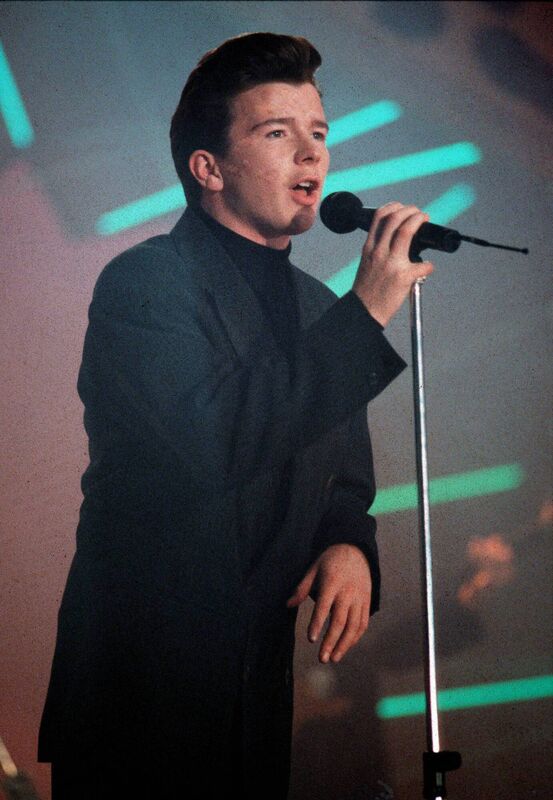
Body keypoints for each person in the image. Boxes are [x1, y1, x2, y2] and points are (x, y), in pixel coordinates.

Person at [38, 32, 433, 799]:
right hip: (142, 694)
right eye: (277, 133)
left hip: (253, 687)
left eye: (318, 134)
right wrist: (367, 313)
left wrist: (349, 543)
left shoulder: (318, 310)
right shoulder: (146, 284)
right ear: (208, 167)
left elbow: (342, 478)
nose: (311, 156)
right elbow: (220, 439)